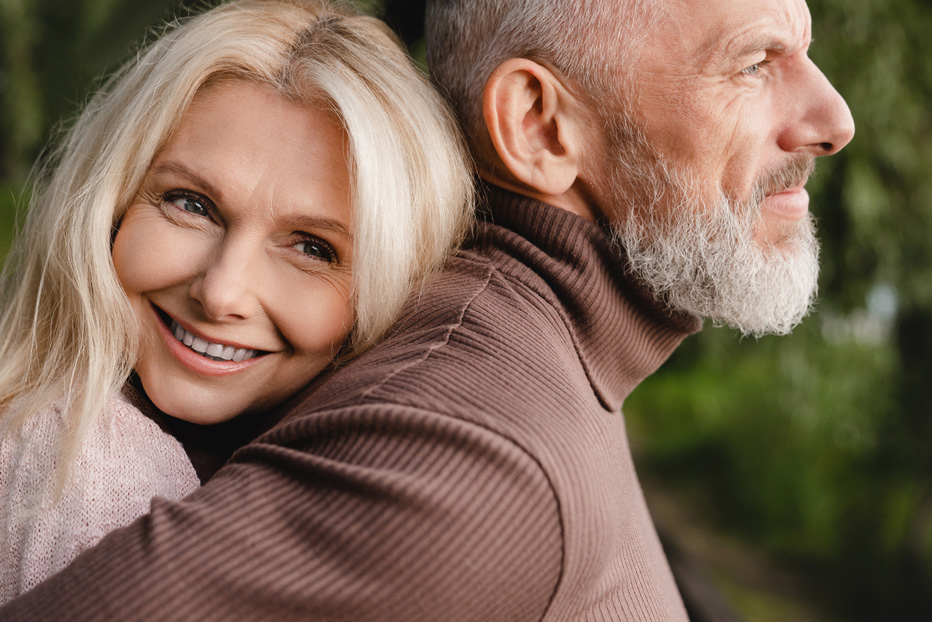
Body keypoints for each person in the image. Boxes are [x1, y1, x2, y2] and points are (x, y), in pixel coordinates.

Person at [0, 0, 855, 620]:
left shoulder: (541, 366)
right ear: (538, 125)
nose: (834, 117)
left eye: (315, 247)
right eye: (754, 64)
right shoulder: (475, 450)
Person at [0, 0, 472, 606]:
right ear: (110, 200)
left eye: (312, 247)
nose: (220, 292)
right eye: (190, 204)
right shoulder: (101, 480)